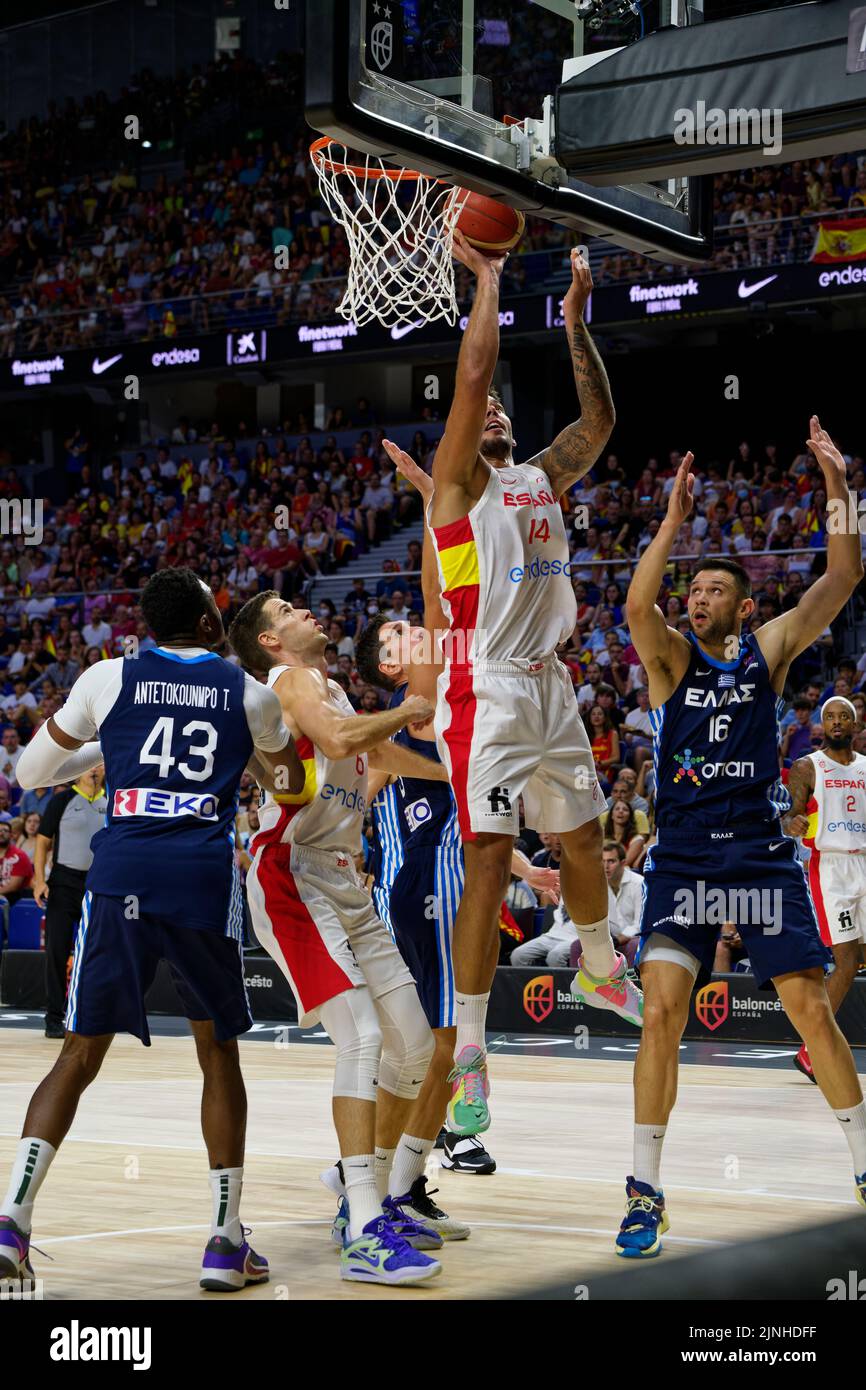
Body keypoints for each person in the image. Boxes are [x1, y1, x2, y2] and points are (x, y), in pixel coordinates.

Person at [0, 567, 304, 1294]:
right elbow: (292, 786)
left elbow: (33, 770)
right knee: (217, 1050)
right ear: (208, 628)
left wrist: (109, 750)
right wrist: (255, 758)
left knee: (78, 1053)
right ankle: (225, 1243)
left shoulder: (109, 678)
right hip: (199, 876)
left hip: (122, 875)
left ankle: (12, 1223)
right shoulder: (250, 693)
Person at [618, 420, 866, 1260]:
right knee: (660, 1015)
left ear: (744, 605)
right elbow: (633, 603)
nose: (699, 600)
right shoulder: (668, 663)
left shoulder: (768, 651)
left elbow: (842, 575)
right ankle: (645, 1190)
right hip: (684, 858)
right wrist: (671, 524)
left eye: (715, 592)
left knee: (809, 1013)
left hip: (758, 854)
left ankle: (865, 1167)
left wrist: (836, 487)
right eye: (694, 592)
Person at [414, 234, 642, 1136]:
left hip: (550, 686)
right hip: (490, 693)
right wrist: (491, 283)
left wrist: (577, 319)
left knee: (582, 846)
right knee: (483, 863)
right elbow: (472, 382)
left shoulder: (537, 476)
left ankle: (595, 963)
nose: (496, 412)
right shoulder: (456, 488)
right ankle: (471, 1052)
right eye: (487, 412)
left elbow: (601, 424)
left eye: (508, 408)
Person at [228, 590, 451, 1287]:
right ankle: (363, 1228)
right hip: (292, 877)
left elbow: (375, 749)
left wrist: (457, 776)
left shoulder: (329, 689)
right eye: (288, 609)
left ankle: (361, 1190)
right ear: (271, 640)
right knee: (360, 1038)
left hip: (344, 878)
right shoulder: (288, 682)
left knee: (414, 1047)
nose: (305, 611)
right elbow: (338, 742)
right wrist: (416, 709)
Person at [358, 459, 559, 1186]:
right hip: (413, 890)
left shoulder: (450, 694)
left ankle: (401, 1162)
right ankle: (395, 1168)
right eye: (397, 639)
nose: (414, 632)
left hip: (443, 881)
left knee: (430, 1039)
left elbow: (480, 822)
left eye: (411, 629)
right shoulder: (387, 726)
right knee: (433, 1036)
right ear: (387, 669)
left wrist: (525, 868)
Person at [784, 696, 866, 1083]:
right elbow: (791, 814)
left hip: (864, 861)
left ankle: (813, 1044)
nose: (836, 723)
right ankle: (811, 1049)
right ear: (822, 724)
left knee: (856, 960)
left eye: (843, 717)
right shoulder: (807, 766)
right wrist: (793, 823)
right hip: (831, 867)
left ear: (855, 724)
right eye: (830, 717)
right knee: (847, 959)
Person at [32, 766, 107, 1039]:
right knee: (57, 950)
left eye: (99, 765)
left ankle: (88, 1013)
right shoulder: (62, 801)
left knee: (95, 952)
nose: (94, 770)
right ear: (77, 773)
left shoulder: (110, 803)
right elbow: (42, 842)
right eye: (88, 767)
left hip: (97, 885)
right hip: (63, 884)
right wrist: (40, 880)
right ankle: (54, 1017)